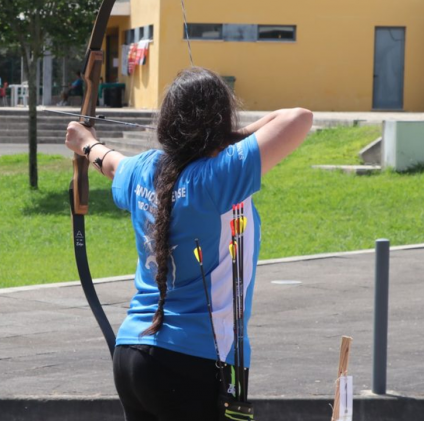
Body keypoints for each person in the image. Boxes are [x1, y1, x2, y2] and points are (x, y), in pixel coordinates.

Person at [63, 67, 312, 421]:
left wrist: (85, 142)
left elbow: (110, 163)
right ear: (220, 122)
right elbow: (298, 117)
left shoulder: (144, 169)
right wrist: (229, 138)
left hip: (133, 354)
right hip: (196, 362)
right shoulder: (221, 176)